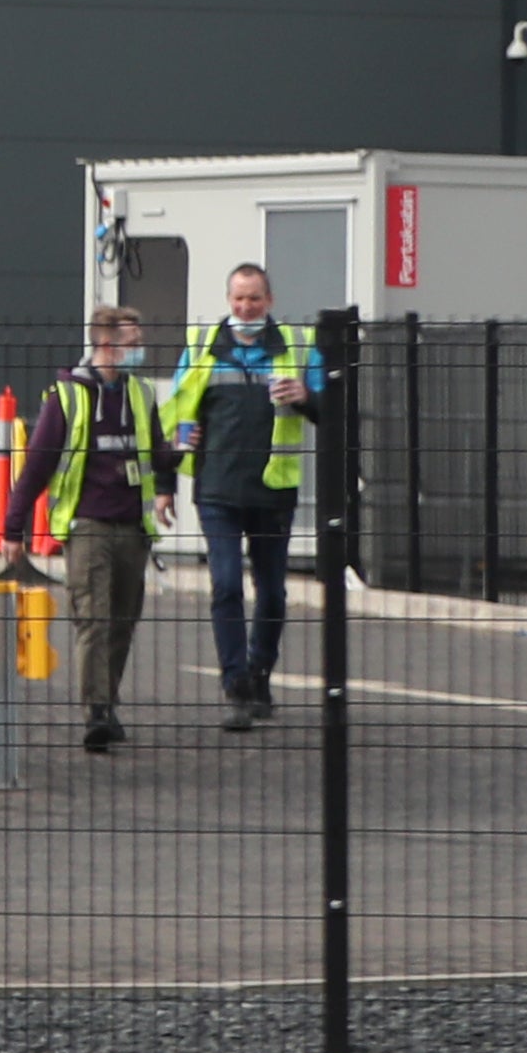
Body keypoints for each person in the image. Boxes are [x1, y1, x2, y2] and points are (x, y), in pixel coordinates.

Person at [165, 262, 323, 732]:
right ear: (228, 300)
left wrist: (305, 397)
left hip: (273, 487)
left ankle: (260, 672)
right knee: (227, 585)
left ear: (269, 301)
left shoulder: (297, 346)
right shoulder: (202, 346)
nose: (245, 307)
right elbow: (177, 410)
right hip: (217, 488)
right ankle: (235, 684)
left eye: (253, 298)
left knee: (272, 591)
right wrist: (179, 445)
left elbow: (334, 408)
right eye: (237, 298)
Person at [15, 302, 177, 755]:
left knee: (123, 621)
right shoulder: (68, 396)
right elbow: (37, 464)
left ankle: (108, 700)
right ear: (106, 345)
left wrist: (176, 459)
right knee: (94, 619)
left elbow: (157, 450)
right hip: (87, 525)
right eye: (133, 342)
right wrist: (14, 526)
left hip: (132, 526)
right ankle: (96, 712)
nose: (139, 350)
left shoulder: (140, 395)